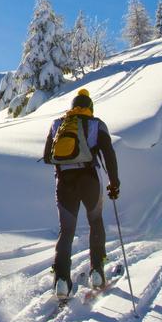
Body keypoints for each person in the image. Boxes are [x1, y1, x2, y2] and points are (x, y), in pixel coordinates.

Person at [41, 88, 120, 299]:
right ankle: (97, 272)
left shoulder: (58, 124)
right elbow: (109, 154)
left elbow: (47, 156)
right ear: (90, 107)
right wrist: (114, 182)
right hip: (90, 180)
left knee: (66, 230)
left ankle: (62, 281)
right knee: (95, 221)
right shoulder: (96, 124)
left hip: (64, 182)